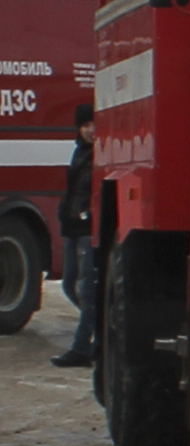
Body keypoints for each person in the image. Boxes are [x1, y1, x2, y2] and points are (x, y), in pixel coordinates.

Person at [48, 100, 94, 369]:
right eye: (84, 125)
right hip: (73, 227)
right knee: (68, 285)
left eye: (93, 124)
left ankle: (82, 348)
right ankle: (99, 326)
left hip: (88, 228)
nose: (90, 130)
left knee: (88, 291)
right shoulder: (79, 152)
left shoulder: (101, 154)